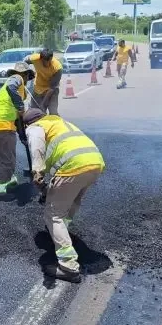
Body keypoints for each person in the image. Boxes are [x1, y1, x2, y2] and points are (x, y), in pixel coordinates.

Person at [22, 108, 105, 283]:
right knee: (73, 200)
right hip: (95, 162)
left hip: (73, 165)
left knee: (53, 214)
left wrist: (37, 172)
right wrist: (49, 186)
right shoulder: (60, 123)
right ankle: (62, 233)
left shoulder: (35, 127)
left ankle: (68, 266)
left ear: (27, 123)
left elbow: (36, 146)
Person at [0, 62, 34, 199]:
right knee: (7, 160)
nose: (27, 80)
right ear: (25, 74)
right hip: (2, 125)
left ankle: (9, 180)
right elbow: (12, 88)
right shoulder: (16, 79)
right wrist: (20, 105)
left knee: (6, 157)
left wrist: (22, 135)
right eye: (27, 77)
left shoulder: (15, 91)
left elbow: (18, 119)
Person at [24, 49, 63, 114]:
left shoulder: (58, 68)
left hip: (52, 91)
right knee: (34, 112)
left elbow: (52, 88)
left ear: (51, 58)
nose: (47, 64)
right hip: (38, 88)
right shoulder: (35, 58)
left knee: (53, 112)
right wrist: (27, 73)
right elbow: (25, 61)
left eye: (49, 61)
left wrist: (43, 104)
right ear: (41, 59)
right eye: (45, 61)